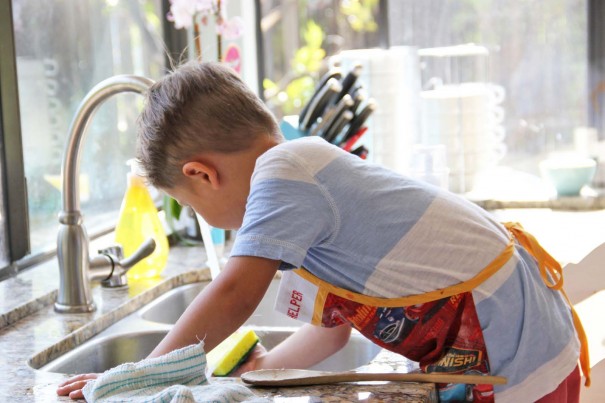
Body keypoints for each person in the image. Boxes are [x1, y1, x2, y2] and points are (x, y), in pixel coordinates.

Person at [57, 61, 588, 402]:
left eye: (186, 201)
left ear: (201, 174)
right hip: (516, 336)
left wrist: (135, 380)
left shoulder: (286, 171)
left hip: (512, 346)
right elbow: (330, 330)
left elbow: (235, 293)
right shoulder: (301, 202)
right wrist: (257, 372)